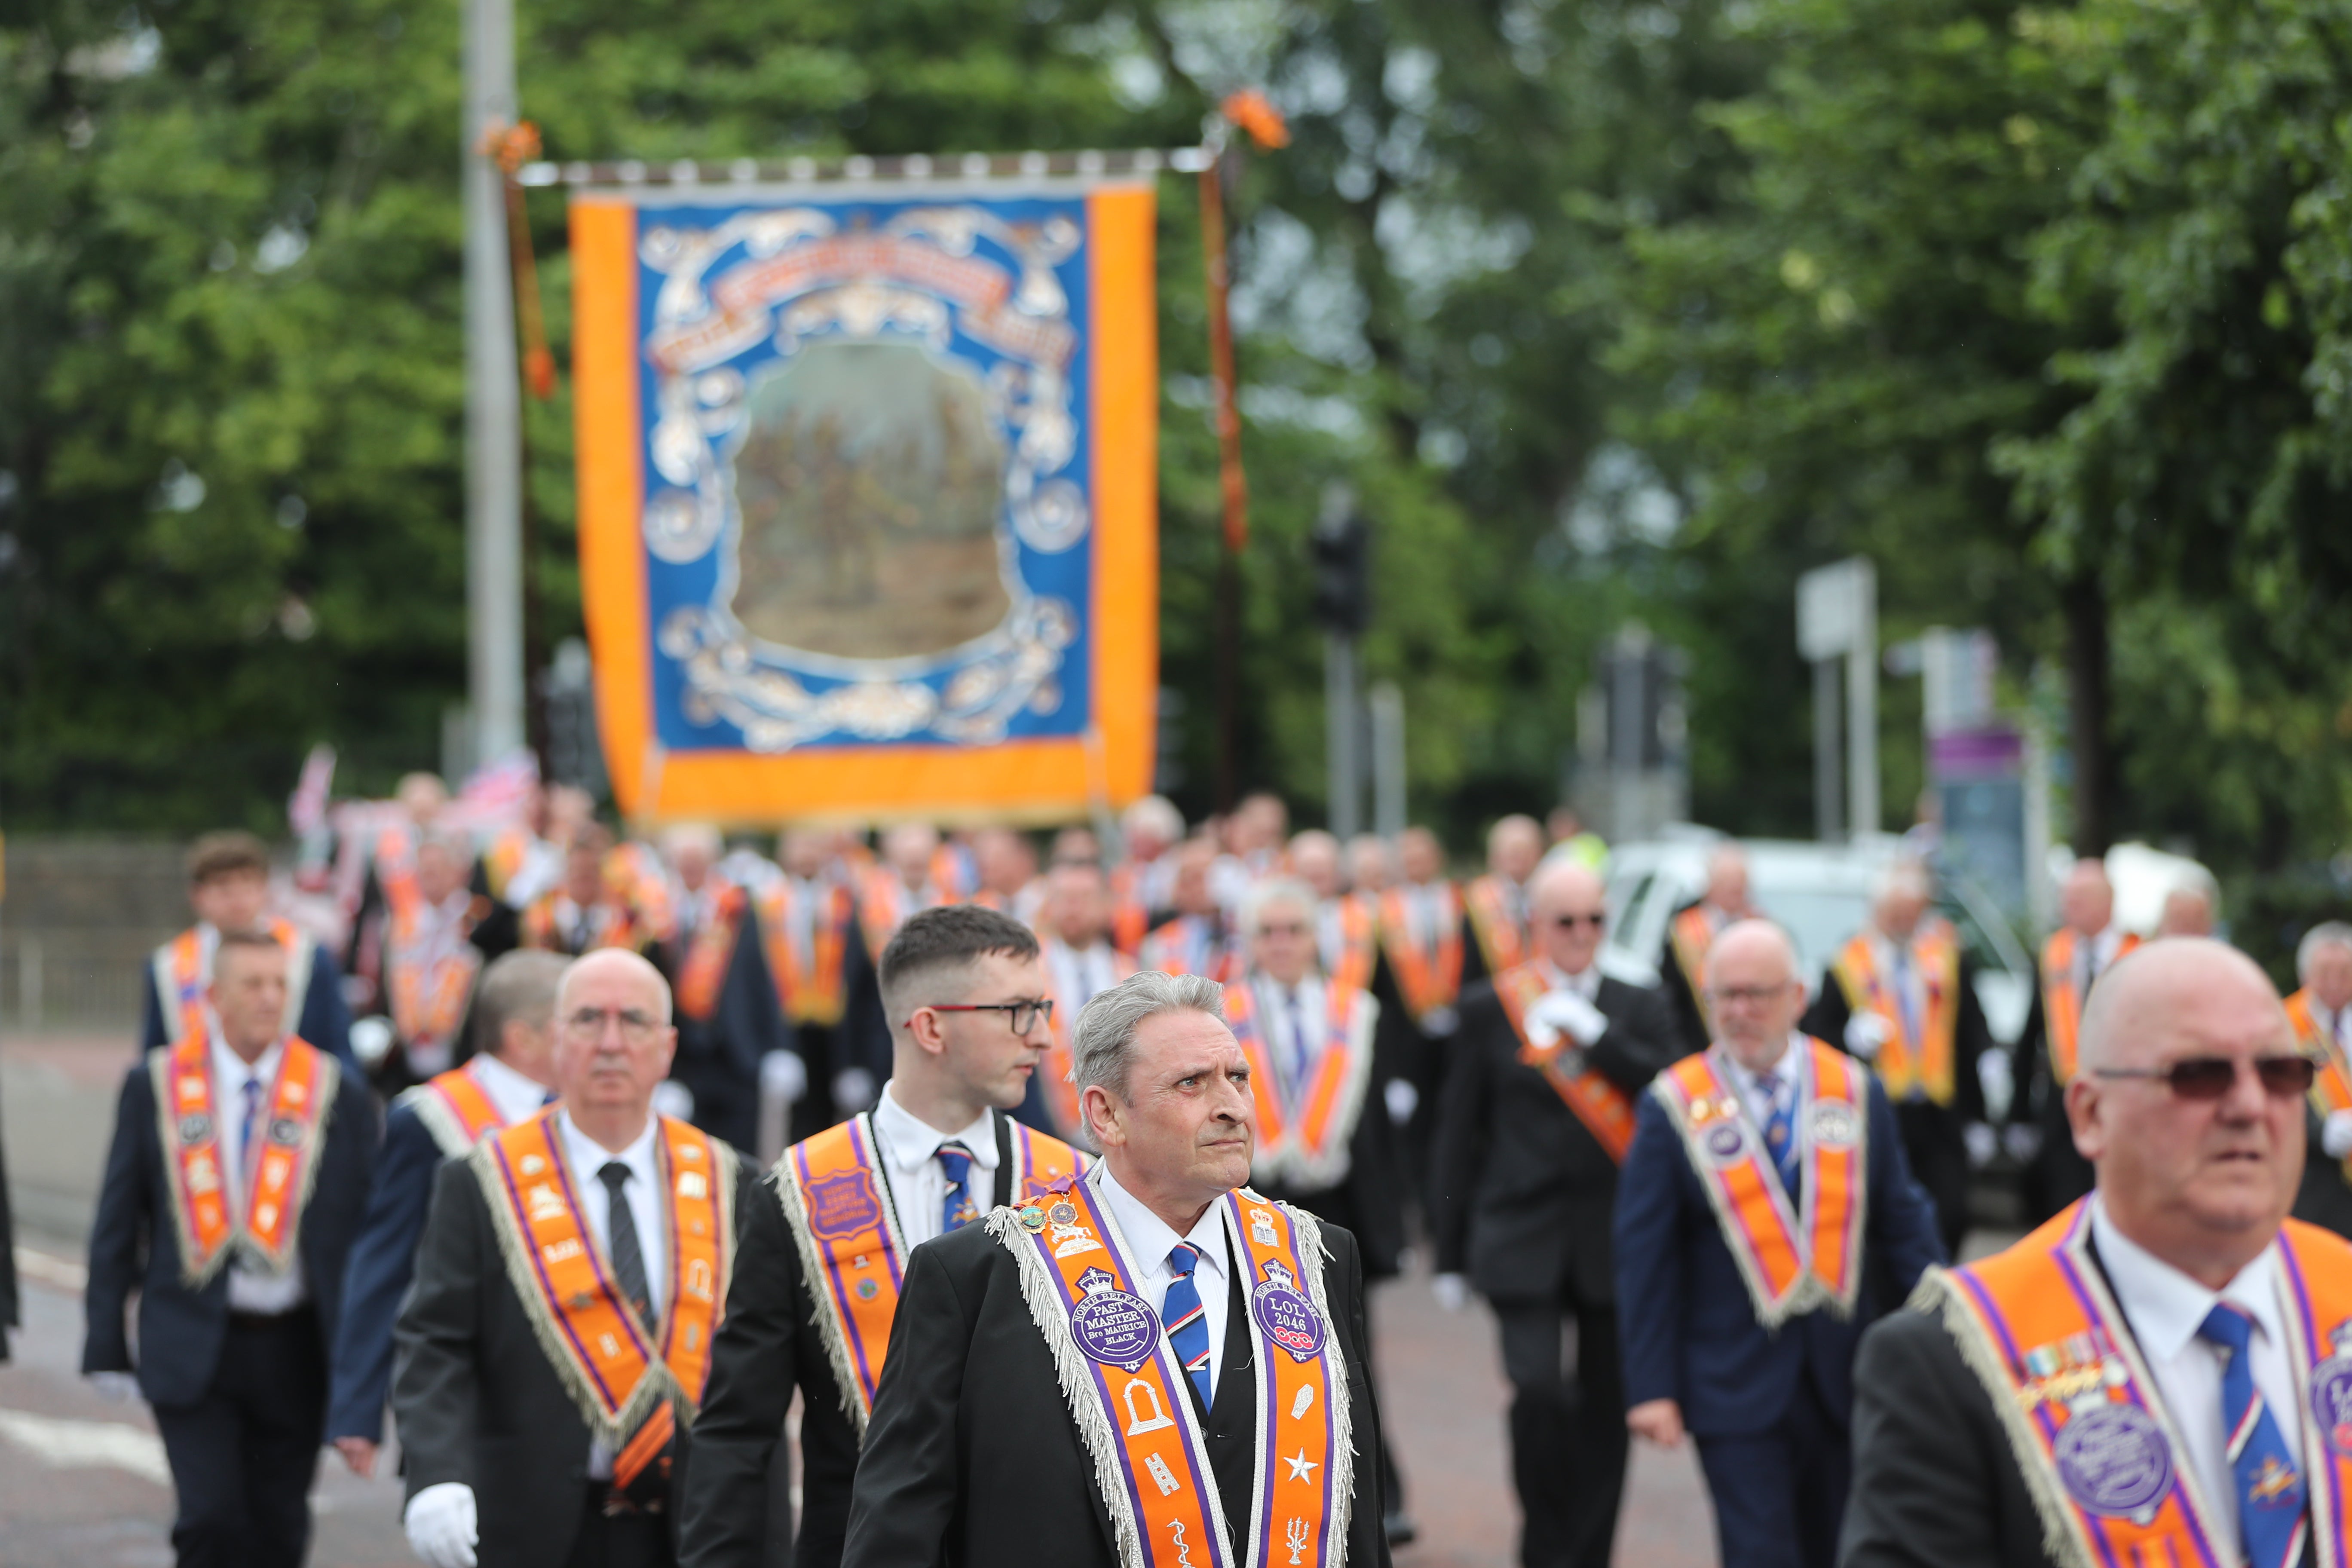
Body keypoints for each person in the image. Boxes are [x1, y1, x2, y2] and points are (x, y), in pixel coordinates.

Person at [838, 969, 1393, 1567]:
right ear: (1106, 1116)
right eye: (1191, 1084)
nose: (1233, 1107)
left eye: (1238, 1078)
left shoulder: (1317, 1257)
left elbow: (1354, 1518)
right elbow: (900, 1528)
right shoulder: (975, 1277)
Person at [1841, 939, 2352, 1567]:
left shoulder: (2341, 1290)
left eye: (2281, 1072)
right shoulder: (1949, 1360)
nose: (2250, 1106)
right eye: (2197, 1073)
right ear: (2089, 1115)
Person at [674, 904, 1091, 1568]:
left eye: (1042, 1008)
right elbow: (739, 1427)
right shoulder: (798, 1190)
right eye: (1017, 1011)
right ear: (930, 1027)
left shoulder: (1076, 1185)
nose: (1043, 1036)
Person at [392, 949, 759, 1568]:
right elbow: (435, 1340)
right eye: (589, 1020)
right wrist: (436, 1473)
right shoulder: (481, 1181)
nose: (611, 1043)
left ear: (667, 1047)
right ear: (554, 1042)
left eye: (634, 1022)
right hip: (534, 1523)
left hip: (700, 1526)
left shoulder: (734, 1182)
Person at [1615, 920, 1944, 1568]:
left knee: (1846, 1550)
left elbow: (1902, 1227)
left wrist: (1950, 1342)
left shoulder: (1852, 1091)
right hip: (1731, 1384)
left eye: (1756, 994)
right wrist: (1651, 1386)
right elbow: (1645, 1255)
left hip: (1846, 1377)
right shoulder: (1673, 1104)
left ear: (1797, 997)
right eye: (1724, 997)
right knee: (1759, 1553)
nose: (1740, 1012)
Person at [85, 929, 380, 1568]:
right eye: (253, 984)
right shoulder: (158, 1085)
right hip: (194, 1345)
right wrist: (105, 1342)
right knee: (211, 1519)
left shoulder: (335, 1092)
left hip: (299, 1347)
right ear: (215, 996)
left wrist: (368, 1367)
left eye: (281, 985)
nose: (270, 998)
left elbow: (367, 1237)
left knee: (278, 1528)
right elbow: (118, 1219)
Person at [1430, 861, 1677, 1568]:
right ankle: (1546, 1545)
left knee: (1607, 1408)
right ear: (1535, 926)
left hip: (1613, 1238)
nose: (1580, 934)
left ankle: (1588, 1553)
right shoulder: (1490, 1005)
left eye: (1594, 920)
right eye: (1565, 921)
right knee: (1537, 1391)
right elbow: (1458, 1130)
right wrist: (1448, 1250)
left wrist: (1597, 1035)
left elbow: (1671, 1091)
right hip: (1520, 1232)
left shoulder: (1638, 1001)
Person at [325, 950, 567, 1476]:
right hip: (460, 1381)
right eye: (576, 1022)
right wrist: (358, 1406)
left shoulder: (574, 1113)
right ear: (524, 1038)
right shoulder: (432, 1117)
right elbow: (384, 1261)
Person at [1798, 862, 1995, 1257]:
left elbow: (1970, 1029)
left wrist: (1981, 1114)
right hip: (1881, 1114)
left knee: (1952, 1213)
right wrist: (1850, 1038)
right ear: (1877, 912)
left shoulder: (1946, 959)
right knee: (1887, 1216)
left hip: (1939, 1111)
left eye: (1913, 912)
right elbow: (1818, 1041)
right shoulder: (1846, 965)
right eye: (1896, 912)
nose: (1905, 921)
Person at [143, 830, 356, 1067]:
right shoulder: (168, 966)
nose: (238, 899)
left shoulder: (308, 956)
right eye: (223, 887)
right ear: (198, 895)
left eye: (248, 884)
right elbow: (156, 1062)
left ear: (266, 889)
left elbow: (338, 1051)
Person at [2018, 858, 2142, 1220]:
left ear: (2108, 903)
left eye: (2079, 900)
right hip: (2063, 1104)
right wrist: (2020, 1114)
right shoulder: (2054, 953)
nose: (2068, 909)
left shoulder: (2138, 954)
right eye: (2066, 899)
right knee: (2063, 1207)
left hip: (2121, 1099)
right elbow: (2032, 1033)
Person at [657, 825, 786, 1154]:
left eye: (698, 861)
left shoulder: (736, 909)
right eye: (684, 861)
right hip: (683, 1061)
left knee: (741, 1159)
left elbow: (761, 977)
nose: (691, 869)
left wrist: (779, 1046)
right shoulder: (657, 913)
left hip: (737, 1055)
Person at [750, 829, 855, 1142]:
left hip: (834, 1032)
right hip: (785, 1026)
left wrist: (855, 1061)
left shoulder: (846, 904)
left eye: (815, 846)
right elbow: (753, 979)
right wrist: (769, 1047)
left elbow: (859, 976)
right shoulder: (765, 904)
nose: (807, 856)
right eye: (800, 846)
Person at [375, 830, 491, 1091]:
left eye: (438, 869)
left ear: (458, 872)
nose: (430, 877)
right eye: (424, 870)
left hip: (463, 1054)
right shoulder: (400, 925)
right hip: (408, 1055)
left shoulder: (479, 919)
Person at [1033, 861, 1135, 1141]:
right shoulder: (1028, 973)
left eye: (1084, 898)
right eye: (1064, 898)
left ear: (1107, 905)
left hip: (1121, 1131)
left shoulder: (1130, 974)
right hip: (1046, 1130)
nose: (1073, 908)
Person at [1657, 845, 1756, 1056]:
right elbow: (1670, 998)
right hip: (1697, 1045)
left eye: (1740, 884)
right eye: (1727, 883)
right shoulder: (1683, 929)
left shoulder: (1760, 925)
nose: (1736, 891)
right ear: (1710, 886)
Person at [2290, 922, 2352, 1238]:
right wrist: (2322, 1131)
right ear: (2306, 976)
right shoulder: (2284, 1025)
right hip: (2314, 1188)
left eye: (2345, 972)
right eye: (2325, 972)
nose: (2335, 982)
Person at [519, 824, 658, 956]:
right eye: (577, 873)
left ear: (602, 875)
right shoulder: (543, 917)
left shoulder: (626, 922)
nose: (583, 882)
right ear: (566, 874)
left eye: (590, 874)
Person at [1139, 837, 1240, 983]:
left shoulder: (1246, 936)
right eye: (1191, 879)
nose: (1201, 887)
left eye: (1209, 876)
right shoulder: (1157, 946)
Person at [1464, 815, 1545, 979]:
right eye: (1513, 852)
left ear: (1539, 854)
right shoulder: (1475, 900)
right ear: (1494, 857)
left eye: (1527, 851)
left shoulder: (1552, 896)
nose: (1520, 859)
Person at [1110, 794, 1185, 956]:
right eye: (1134, 834)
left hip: (1170, 940)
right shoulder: (1123, 873)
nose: (1137, 841)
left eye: (1145, 835)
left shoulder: (1177, 868)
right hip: (1130, 943)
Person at [2156, 868, 2220, 939]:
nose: (2184, 930)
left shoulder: (2220, 949)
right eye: (2177, 920)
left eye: (2195, 924)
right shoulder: (2147, 948)